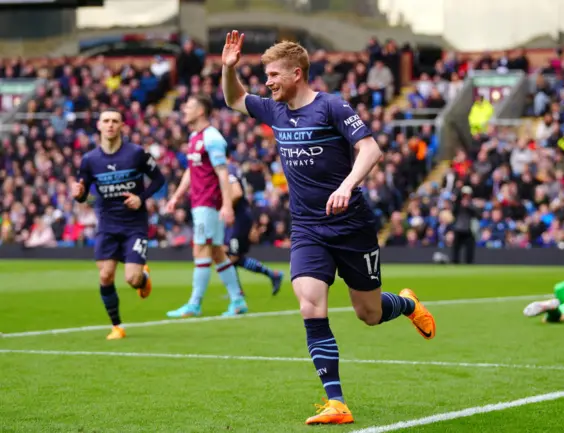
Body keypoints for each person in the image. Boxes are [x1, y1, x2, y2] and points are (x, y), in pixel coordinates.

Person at [220, 30, 436, 425]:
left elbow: (371, 149)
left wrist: (347, 185)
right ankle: (336, 402)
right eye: (265, 76)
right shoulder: (273, 109)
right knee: (309, 303)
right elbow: (233, 98)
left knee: (368, 314)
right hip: (307, 228)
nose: (266, 83)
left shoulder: (333, 107)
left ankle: (406, 304)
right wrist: (227, 68)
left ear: (297, 74)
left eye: (273, 75)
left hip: (352, 225)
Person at [71, 108, 166, 340]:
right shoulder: (90, 160)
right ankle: (117, 326)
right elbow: (82, 194)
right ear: (99, 126)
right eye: (106, 121)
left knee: (132, 279)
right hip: (107, 224)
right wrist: (79, 195)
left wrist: (140, 198)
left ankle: (143, 277)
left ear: (122, 125)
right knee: (105, 276)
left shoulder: (136, 154)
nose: (110, 124)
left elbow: (159, 179)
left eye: (115, 121)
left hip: (135, 224)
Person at [165, 94, 248, 318]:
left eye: (189, 106)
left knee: (200, 249)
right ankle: (238, 300)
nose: (184, 109)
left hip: (208, 203)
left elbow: (223, 173)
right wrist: (176, 197)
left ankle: (194, 303)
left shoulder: (212, 138)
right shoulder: (194, 137)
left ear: (201, 111)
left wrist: (227, 205)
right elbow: (191, 172)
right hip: (199, 202)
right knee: (218, 253)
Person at [226, 162, 284, 295]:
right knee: (232, 257)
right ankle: (272, 275)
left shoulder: (229, 169)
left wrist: (226, 206)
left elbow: (237, 193)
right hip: (240, 217)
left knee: (232, 257)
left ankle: (237, 291)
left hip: (239, 219)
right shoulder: (234, 168)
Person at [451, 185, 480, 264]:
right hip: (458, 229)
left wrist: (468, 206)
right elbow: (454, 212)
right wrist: (458, 203)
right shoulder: (457, 204)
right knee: (456, 249)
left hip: (468, 229)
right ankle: (455, 263)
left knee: (470, 248)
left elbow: (477, 214)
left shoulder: (472, 204)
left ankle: (469, 263)